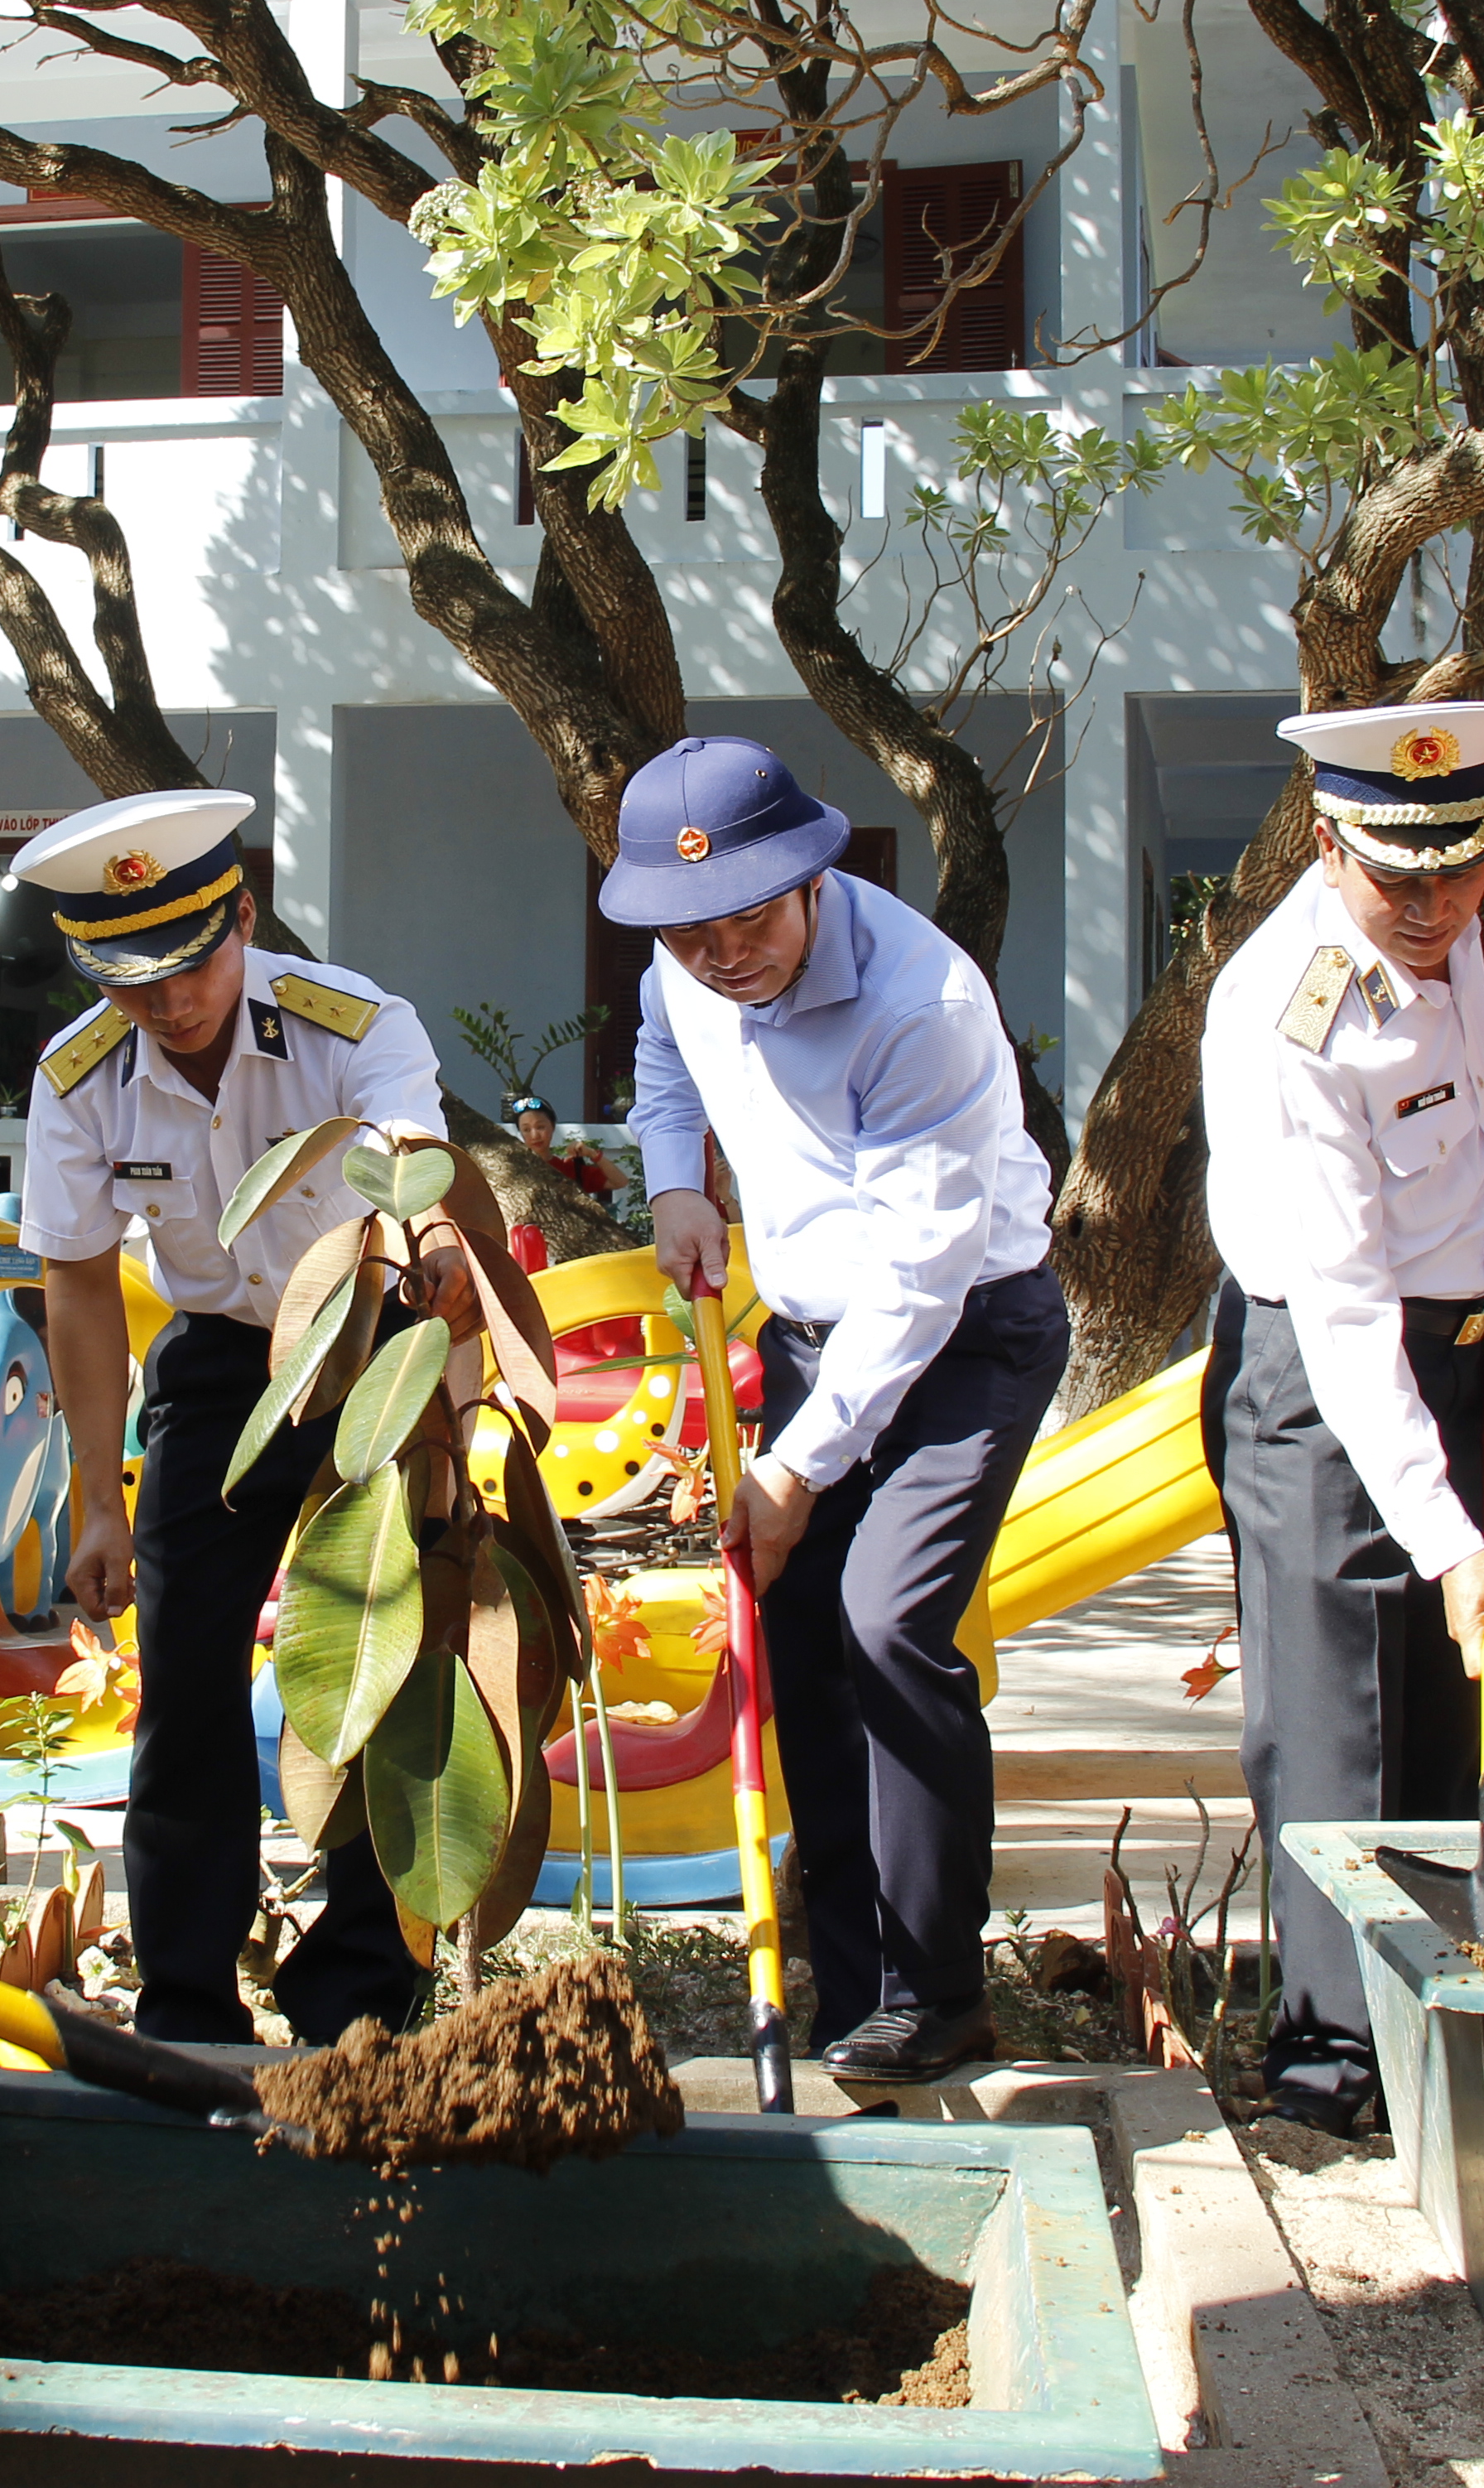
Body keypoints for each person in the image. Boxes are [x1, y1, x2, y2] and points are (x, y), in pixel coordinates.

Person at [611, 737, 1067, 2087]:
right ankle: (852, 1989)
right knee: (799, 1640)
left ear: (811, 875)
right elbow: (662, 1047)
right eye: (690, 931)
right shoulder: (681, 963)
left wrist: (793, 1468)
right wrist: (669, 1179)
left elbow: (917, 1283)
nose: (723, 952)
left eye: (749, 915)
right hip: (811, 1331)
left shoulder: (920, 998)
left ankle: (938, 1992)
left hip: (966, 1331)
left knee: (887, 1620)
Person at [15, 788, 495, 2046]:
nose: (171, 1004)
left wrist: (433, 1228)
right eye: (132, 981)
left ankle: (360, 1991)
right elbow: (76, 1284)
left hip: (370, 1352)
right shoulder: (76, 1078)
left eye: (192, 962)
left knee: (387, 1658)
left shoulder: (352, 1021)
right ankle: (186, 2001)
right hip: (223, 1372)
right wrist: (93, 1500)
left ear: (240, 916)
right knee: (181, 1677)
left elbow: (407, 1145)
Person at [1199, 700, 1484, 2129]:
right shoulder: (1293, 1012)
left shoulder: (1443, 927)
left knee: (1440, 1716)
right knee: (1335, 1727)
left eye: (1458, 870)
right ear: (1325, 838)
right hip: (1324, 1385)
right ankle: (1330, 2062)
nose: (1431, 907)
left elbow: (1465, 1107)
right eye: (1397, 877)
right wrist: (1448, 1537)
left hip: (1447, 1350)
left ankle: (1447, 2025)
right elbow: (1339, 1314)